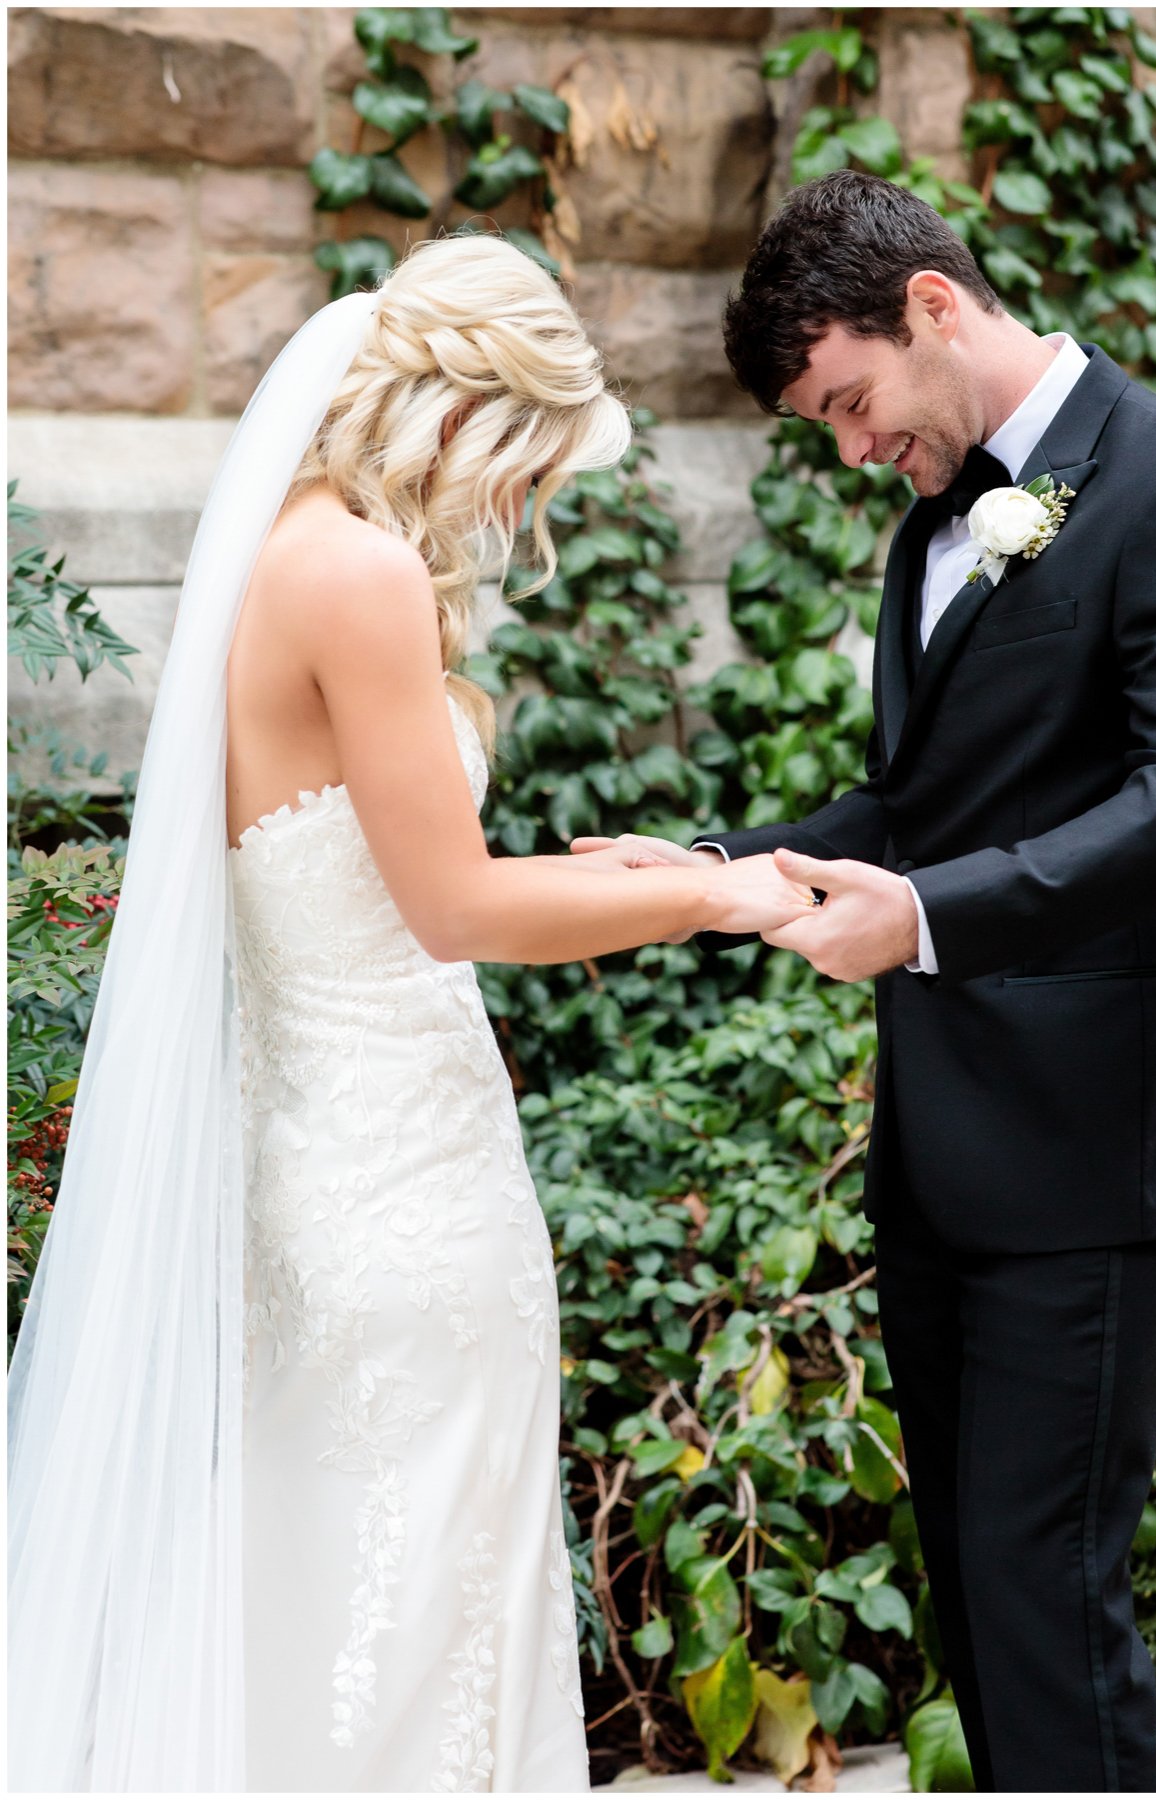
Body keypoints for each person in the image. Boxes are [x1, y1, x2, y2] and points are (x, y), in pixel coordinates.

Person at [7, 235, 821, 1790]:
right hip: (398, 1198)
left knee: (337, 1598)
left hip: (343, 1162)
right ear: (464, 420)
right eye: (530, 474)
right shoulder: (361, 574)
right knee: (408, 1624)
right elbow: (460, 909)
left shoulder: (289, 547)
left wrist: (650, 867)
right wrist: (715, 895)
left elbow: (395, 886)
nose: (523, 517)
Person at [578, 171, 1156, 1791]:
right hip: (940, 1169)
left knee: (1050, 1604)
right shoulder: (938, 526)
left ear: (933, 306)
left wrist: (923, 921)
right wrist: (710, 871)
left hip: (1088, 1164)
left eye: (851, 403)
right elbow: (913, 812)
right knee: (984, 1610)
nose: (854, 450)